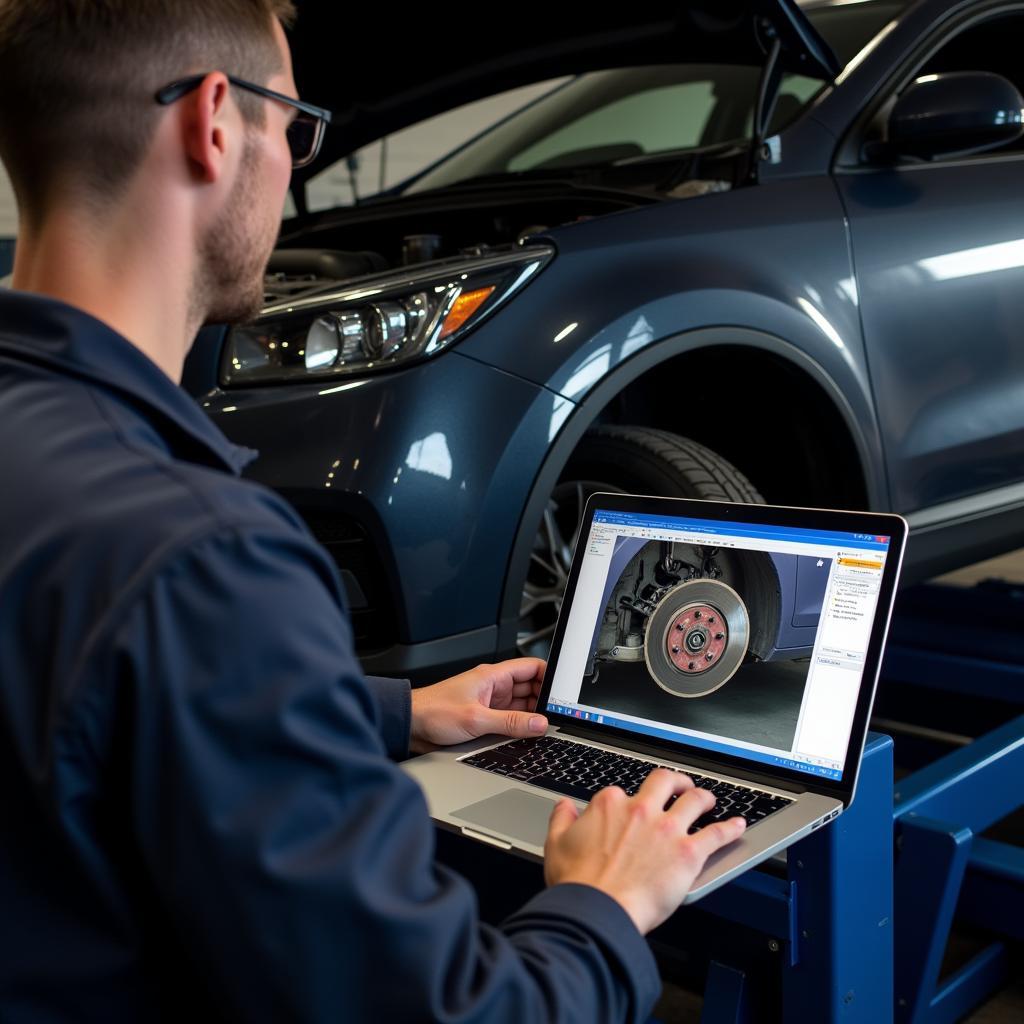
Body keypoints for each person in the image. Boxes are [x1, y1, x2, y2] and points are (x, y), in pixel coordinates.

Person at [0, 2, 745, 1021]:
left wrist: (391, 708)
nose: (297, 170)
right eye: (297, 127)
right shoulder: (207, 558)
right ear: (215, 123)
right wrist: (603, 903)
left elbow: (83, 702)